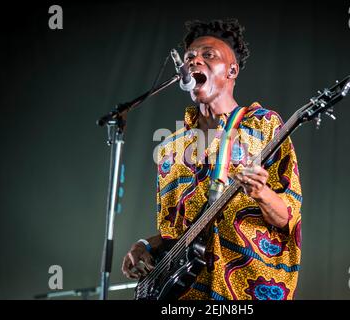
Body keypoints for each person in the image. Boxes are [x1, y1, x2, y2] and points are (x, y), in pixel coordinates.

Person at [122, 18, 302, 300]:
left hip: (245, 290)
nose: (195, 62)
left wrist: (262, 193)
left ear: (232, 70)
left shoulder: (264, 126)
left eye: (208, 55)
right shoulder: (170, 149)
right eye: (189, 57)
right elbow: (175, 234)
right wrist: (145, 244)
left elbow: (288, 217)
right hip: (185, 295)